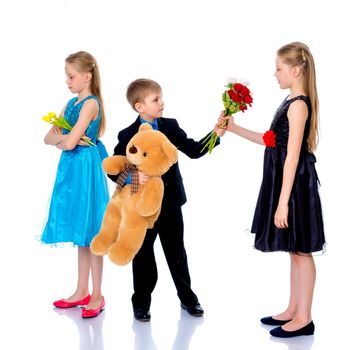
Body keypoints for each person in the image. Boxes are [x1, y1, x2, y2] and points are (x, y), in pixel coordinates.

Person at [218, 42, 325, 338]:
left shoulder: (299, 105)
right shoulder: (289, 102)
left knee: (302, 250)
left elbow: (292, 156)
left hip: (295, 187)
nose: (275, 74)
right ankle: (293, 309)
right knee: (294, 250)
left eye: (279, 68)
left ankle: (304, 317)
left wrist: (283, 203)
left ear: (296, 70)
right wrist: (234, 128)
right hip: (286, 183)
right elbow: (272, 140)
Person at [109, 78, 221, 322]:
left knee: (177, 254)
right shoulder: (127, 134)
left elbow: (193, 150)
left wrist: (216, 134)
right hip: (142, 209)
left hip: (170, 204)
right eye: (156, 99)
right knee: (143, 256)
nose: (162, 103)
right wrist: (133, 175)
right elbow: (114, 171)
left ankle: (188, 299)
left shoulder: (170, 126)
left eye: (161, 97)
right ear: (140, 107)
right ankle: (140, 303)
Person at [40, 51, 109, 318]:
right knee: (81, 234)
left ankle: (97, 294)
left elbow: (65, 143)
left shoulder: (90, 104)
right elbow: (47, 138)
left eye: (71, 76)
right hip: (70, 169)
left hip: (85, 169)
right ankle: (81, 291)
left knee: (92, 231)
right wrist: (65, 138)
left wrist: (64, 139)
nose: (67, 81)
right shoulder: (70, 104)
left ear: (86, 76)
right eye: (66, 77)